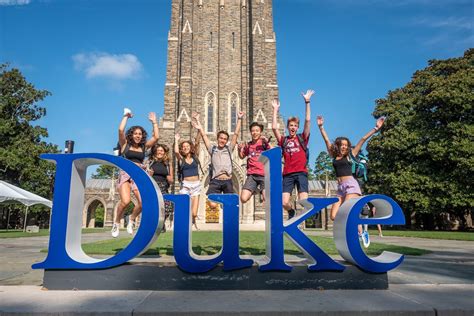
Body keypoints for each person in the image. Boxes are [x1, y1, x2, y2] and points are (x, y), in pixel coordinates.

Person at [317, 115, 385, 246]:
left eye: (346, 145)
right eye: (341, 145)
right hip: (340, 188)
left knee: (346, 211)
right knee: (333, 216)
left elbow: (362, 139)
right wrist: (321, 127)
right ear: (337, 146)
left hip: (352, 186)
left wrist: (376, 128)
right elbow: (326, 140)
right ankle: (360, 231)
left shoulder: (351, 155)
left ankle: (360, 232)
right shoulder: (334, 155)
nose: (343, 147)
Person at [112, 111, 159, 238]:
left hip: (139, 175)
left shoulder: (144, 147)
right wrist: (125, 117)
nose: (138, 136)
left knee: (143, 203)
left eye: (140, 134)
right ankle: (116, 222)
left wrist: (154, 122)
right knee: (126, 201)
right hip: (126, 175)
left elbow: (156, 138)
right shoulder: (125, 145)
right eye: (135, 133)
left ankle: (131, 219)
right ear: (131, 135)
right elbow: (121, 130)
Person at [272, 90, 314, 219]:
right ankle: (291, 212)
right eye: (291, 125)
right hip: (288, 174)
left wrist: (307, 102)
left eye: (295, 125)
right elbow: (274, 128)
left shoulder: (303, 138)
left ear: (297, 127)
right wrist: (275, 110)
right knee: (284, 202)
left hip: (301, 173)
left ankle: (305, 216)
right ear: (288, 127)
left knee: (303, 201)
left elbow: (307, 120)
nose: (293, 127)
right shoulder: (283, 140)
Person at [192, 111, 244, 212]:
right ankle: (222, 201)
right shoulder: (213, 149)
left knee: (230, 206)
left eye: (225, 139)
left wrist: (239, 119)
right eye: (221, 138)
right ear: (217, 138)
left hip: (227, 181)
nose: (222, 140)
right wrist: (198, 122)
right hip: (215, 181)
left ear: (226, 141)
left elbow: (236, 134)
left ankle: (226, 204)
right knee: (212, 204)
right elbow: (204, 136)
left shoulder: (229, 149)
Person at [174, 116, 203, 230]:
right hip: (185, 185)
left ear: (190, 148)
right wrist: (176, 140)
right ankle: (184, 225)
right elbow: (176, 151)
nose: (185, 148)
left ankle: (194, 220)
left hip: (196, 185)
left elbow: (197, 141)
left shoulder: (195, 157)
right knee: (185, 208)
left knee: (194, 212)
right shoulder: (181, 159)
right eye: (183, 147)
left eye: (187, 146)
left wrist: (198, 127)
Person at [238, 122, 272, 204]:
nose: (255, 133)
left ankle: (262, 191)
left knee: (267, 199)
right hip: (252, 175)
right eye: (253, 131)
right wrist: (239, 149)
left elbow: (272, 151)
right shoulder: (248, 145)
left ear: (260, 132)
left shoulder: (264, 143)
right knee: (243, 199)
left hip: (264, 174)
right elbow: (242, 156)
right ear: (250, 132)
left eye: (257, 130)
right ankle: (255, 190)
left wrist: (267, 142)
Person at [148, 143, 174, 232]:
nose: (160, 152)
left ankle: (161, 222)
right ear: (155, 152)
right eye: (158, 150)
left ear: (164, 152)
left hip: (164, 187)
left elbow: (171, 180)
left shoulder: (167, 164)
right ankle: (155, 224)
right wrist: (149, 175)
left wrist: (169, 178)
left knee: (169, 206)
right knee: (155, 207)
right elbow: (145, 175)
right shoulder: (150, 162)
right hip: (153, 186)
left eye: (161, 151)